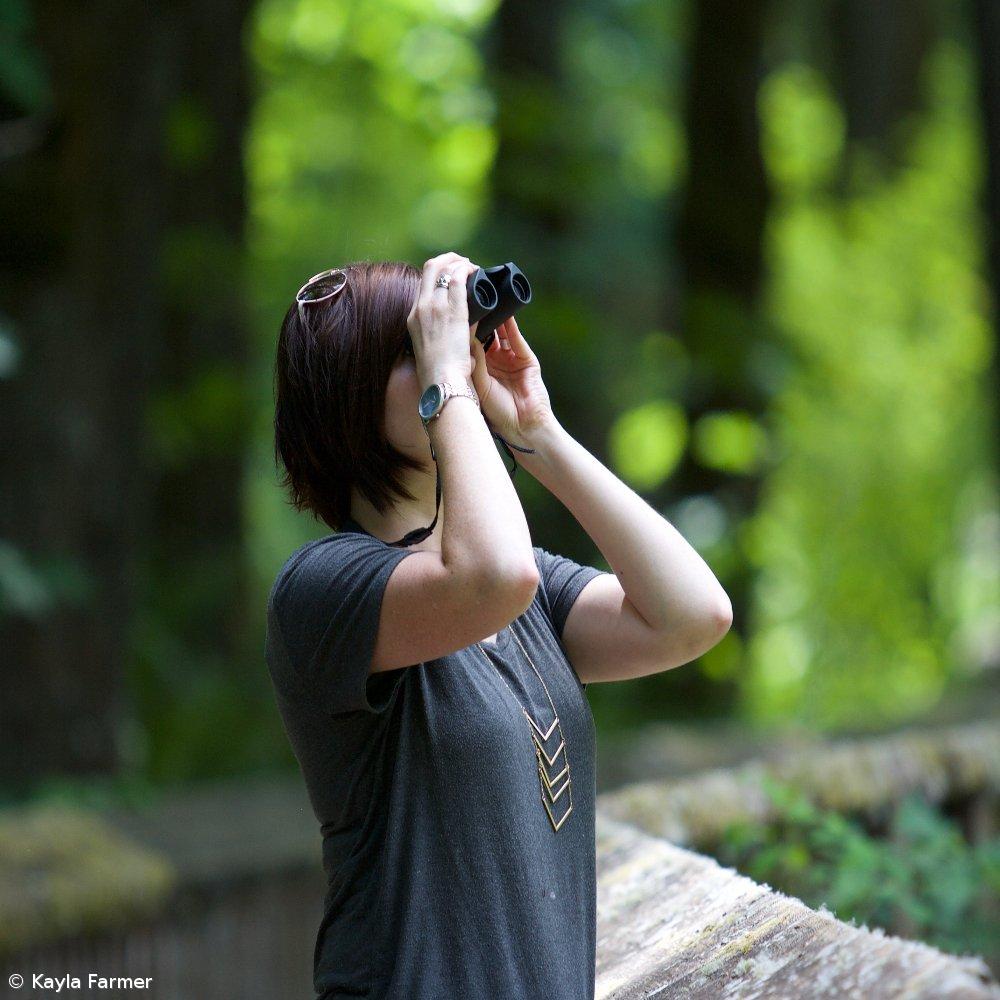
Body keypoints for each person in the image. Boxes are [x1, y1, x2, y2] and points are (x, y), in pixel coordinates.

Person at [265, 251, 733, 1000]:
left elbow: (691, 617)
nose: (450, 362)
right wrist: (448, 379)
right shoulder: (323, 589)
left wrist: (536, 430)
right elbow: (489, 577)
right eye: (413, 354)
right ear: (348, 394)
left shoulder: (525, 589)